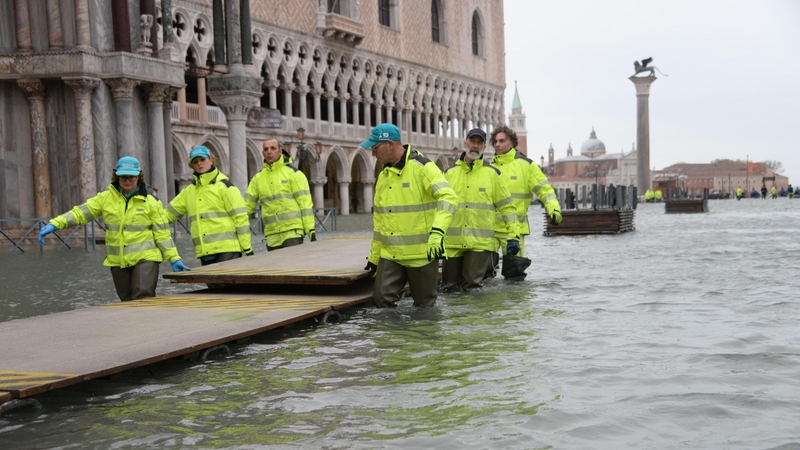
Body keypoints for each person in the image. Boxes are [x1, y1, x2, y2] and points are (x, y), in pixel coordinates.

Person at [38, 156, 190, 301]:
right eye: (123, 177)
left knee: (142, 297)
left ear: (139, 177)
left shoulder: (151, 202)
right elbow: (80, 213)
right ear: (116, 177)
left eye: (131, 176)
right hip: (118, 260)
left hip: (146, 258)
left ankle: (146, 327)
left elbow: (162, 233)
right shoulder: (105, 198)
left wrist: (173, 257)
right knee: (125, 300)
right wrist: (55, 224)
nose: (127, 180)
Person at [362, 123, 458, 307]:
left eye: (375, 148)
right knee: (381, 300)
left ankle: (420, 336)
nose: (373, 154)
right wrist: (375, 257)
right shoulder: (384, 176)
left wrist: (437, 233)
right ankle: (394, 336)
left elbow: (448, 196)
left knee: (425, 307)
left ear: (389, 144)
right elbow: (380, 222)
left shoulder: (422, 167)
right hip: (390, 255)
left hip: (421, 255)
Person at [442, 128, 518, 291]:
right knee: (450, 288)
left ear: (484, 147)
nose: (475, 146)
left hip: (480, 244)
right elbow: (437, 208)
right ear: (465, 143)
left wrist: (513, 235)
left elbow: (507, 208)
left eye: (479, 143)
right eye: (472, 141)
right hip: (452, 243)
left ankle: (476, 317)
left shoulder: (492, 174)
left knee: (473, 287)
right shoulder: (449, 174)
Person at [488, 125, 561, 278]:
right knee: (486, 276)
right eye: (495, 141)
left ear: (513, 142)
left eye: (502, 141)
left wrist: (554, 209)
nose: (498, 144)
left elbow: (545, 190)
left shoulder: (526, 166)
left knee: (515, 277)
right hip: (490, 231)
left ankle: (517, 302)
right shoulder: (488, 167)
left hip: (515, 232)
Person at [163, 146, 253, 266]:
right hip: (205, 252)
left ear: (211, 160)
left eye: (202, 159)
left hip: (228, 249)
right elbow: (167, 215)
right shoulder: (188, 191)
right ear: (191, 165)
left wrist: (247, 248)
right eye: (195, 162)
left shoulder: (225, 186)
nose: (199, 164)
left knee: (227, 285)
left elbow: (240, 218)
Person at [244, 138, 316, 251]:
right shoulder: (257, 179)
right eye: (266, 149)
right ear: (263, 153)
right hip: (272, 235)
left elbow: (305, 204)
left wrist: (310, 230)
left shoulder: (294, 174)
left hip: (293, 232)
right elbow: (246, 207)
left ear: (280, 151)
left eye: (273, 148)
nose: (269, 151)